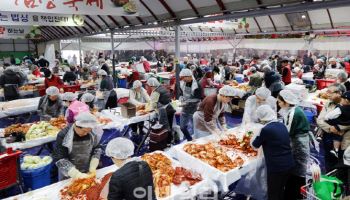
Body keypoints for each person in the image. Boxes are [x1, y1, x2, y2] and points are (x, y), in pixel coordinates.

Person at [251, 105, 294, 200]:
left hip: (277, 167)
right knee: (280, 189)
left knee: (273, 193)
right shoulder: (282, 125)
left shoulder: (266, 129)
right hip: (289, 164)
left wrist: (256, 134)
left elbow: (254, 146)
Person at [277, 89, 310, 200]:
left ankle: (295, 194)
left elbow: (287, 132)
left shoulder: (293, 113)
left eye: (279, 102)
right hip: (297, 140)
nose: (278, 104)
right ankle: (293, 192)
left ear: (286, 102)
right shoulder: (292, 110)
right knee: (295, 169)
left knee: (298, 170)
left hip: (299, 143)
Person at [53, 112, 101, 180]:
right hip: (69, 173)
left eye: (88, 131)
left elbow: (97, 148)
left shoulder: (92, 132)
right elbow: (60, 158)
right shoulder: (63, 135)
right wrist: (76, 174)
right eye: (84, 131)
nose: (86, 134)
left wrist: (93, 165)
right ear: (76, 125)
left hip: (87, 169)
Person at [317, 83, 348, 172]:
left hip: (343, 141)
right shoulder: (328, 104)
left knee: (341, 165)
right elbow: (320, 120)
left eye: (330, 92)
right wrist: (331, 128)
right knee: (328, 161)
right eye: (327, 91)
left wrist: (339, 128)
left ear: (339, 93)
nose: (327, 94)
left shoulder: (347, 105)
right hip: (328, 137)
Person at [147, 78, 176, 144]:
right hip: (170, 108)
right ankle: (170, 140)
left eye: (149, 86)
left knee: (165, 127)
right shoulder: (162, 87)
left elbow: (153, 104)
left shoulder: (156, 91)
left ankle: (166, 142)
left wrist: (149, 110)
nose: (149, 87)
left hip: (164, 111)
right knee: (170, 126)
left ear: (152, 85)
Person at [323, 91, 350, 158]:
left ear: (346, 100)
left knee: (335, 136)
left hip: (336, 126)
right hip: (344, 129)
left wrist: (327, 118)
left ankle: (319, 136)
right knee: (338, 137)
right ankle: (336, 150)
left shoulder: (341, 109)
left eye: (342, 99)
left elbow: (328, 117)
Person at [179, 69, 201, 141]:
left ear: (189, 76)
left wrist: (187, 102)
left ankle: (195, 140)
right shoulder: (183, 83)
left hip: (194, 108)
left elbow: (198, 98)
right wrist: (181, 98)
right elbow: (182, 94)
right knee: (182, 127)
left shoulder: (196, 85)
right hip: (185, 108)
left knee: (195, 126)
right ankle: (189, 139)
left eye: (184, 78)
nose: (183, 80)